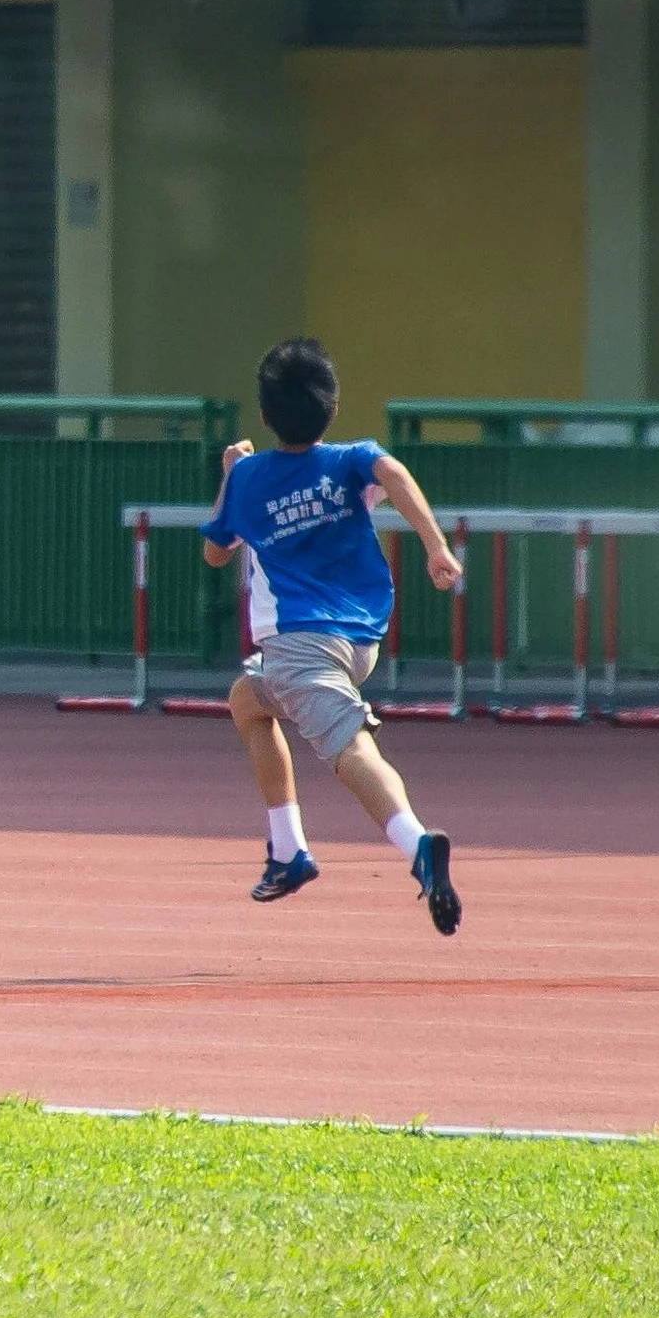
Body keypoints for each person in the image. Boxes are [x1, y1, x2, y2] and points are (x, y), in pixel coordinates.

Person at [201, 338, 464, 935]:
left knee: (350, 749)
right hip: (359, 642)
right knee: (247, 701)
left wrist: (229, 475)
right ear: (333, 406)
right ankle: (288, 850)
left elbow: (217, 553)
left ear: (266, 416)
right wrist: (435, 546)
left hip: (300, 643)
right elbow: (392, 472)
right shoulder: (348, 460)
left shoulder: (250, 477)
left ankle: (417, 845)